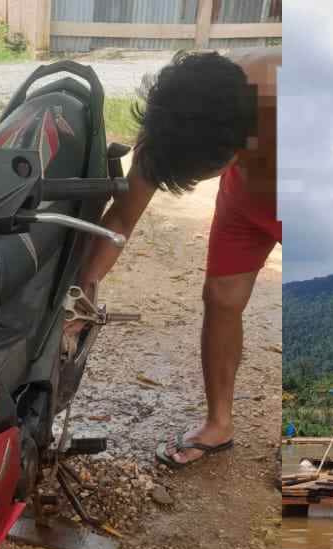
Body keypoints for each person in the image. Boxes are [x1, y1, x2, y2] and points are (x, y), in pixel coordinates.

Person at [69, 50, 279, 469]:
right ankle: (219, 424)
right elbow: (122, 219)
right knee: (221, 298)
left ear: (231, 154)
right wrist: (80, 296)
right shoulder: (178, 118)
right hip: (246, 200)